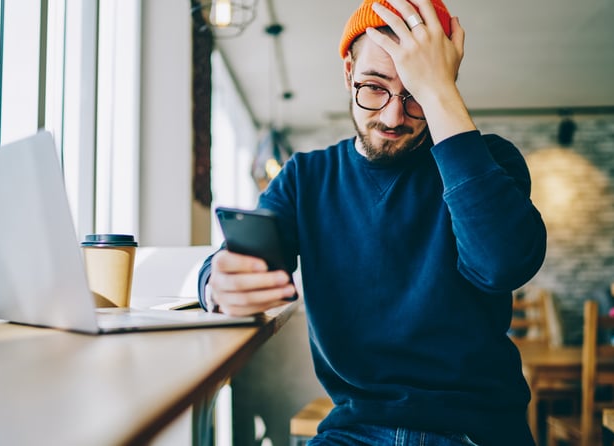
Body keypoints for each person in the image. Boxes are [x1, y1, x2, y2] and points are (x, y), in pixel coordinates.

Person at [197, 0, 546, 444]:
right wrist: (215, 282)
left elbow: (503, 265)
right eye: (375, 87)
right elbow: (243, 263)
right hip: (354, 431)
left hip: (475, 431)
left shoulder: (490, 161)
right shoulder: (306, 179)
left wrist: (440, 92)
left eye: (416, 94)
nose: (393, 116)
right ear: (348, 72)